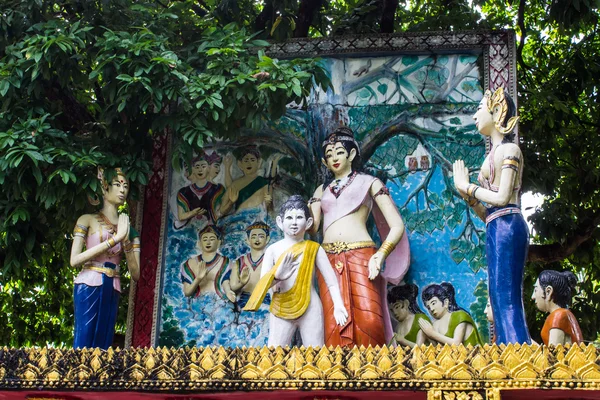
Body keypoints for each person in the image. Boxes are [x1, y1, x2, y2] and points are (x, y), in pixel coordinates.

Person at [309, 126, 410, 347]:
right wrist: (305, 210)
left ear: (351, 154)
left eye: (339, 152)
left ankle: (372, 372)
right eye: (329, 155)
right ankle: (339, 373)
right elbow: (313, 228)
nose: (334, 158)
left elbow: (396, 225)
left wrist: (380, 255)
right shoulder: (321, 191)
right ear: (324, 162)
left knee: (370, 319)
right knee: (334, 321)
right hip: (328, 260)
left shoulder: (369, 182)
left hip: (362, 255)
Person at [452, 87, 531, 344]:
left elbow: (502, 197)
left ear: (496, 110)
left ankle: (517, 350)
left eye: (479, 109)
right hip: (496, 225)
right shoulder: (490, 157)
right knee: (496, 295)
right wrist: (469, 197)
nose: (475, 116)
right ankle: (504, 346)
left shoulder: (510, 151)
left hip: (510, 224)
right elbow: (487, 213)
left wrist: (468, 187)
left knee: (507, 295)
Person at [243, 195, 348, 347]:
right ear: (280, 222)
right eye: (289, 218)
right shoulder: (273, 250)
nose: (293, 223)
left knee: (315, 353)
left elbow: (331, 281)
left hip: (310, 306)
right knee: (274, 354)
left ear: (308, 222)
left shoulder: (314, 248)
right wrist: (277, 276)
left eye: (299, 217)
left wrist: (338, 305)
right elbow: (262, 286)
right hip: (281, 306)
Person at [70, 168, 140, 349]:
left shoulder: (128, 230)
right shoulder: (87, 219)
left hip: (114, 284)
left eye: (125, 186)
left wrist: (125, 241)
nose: (122, 190)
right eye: (117, 185)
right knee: (84, 338)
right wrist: (114, 240)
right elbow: (75, 260)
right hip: (89, 282)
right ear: (104, 188)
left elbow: (136, 273)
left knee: (104, 340)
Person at [180, 225, 234, 302]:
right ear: (199, 243)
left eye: (212, 239)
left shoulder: (225, 262)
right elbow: (187, 292)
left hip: (219, 303)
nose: (208, 242)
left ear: (219, 243)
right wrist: (198, 278)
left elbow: (226, 283)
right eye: (205, 239)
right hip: (197, 304)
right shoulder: (190, 263)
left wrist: (228, 292)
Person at [419, 283, 483, 346]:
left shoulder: (460, 315)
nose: (431, 309)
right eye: (428, 307)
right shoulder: (434, 325)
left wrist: (432, 334)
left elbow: (456, 343)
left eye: (433, 303)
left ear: (445, 302)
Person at [175, 153, 228, 229]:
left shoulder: (217, 189)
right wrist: (193, 213)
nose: (200, 170)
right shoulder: (183, 192)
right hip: (191, 229)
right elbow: (181, 216)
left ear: (209, 168)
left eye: (203, 166)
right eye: (197, 167)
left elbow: (219, 213)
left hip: (211, 229)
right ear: (193, 170)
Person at [532, 270, 583, 346]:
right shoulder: (564, 313)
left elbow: (553, 354)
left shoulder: (558, 316)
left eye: (536, 290)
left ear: (548, 291)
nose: (533, 297)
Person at [227, 221, 271, 307]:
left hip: (265, 300)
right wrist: (242, 283)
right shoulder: (239, 262)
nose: (257, 240)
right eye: (253, 236)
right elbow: (233, 287)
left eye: (261, 236)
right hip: (244, 301)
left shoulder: (272, 260)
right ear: (247, 240)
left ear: (267, 239)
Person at [224, 147, 283, 211]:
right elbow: (223, 209)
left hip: (257, 217)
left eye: (252, 160)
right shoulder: (236, 184)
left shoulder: (262, 182)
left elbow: (269, 210)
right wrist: (231, 202)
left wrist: (268, 202)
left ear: (258, 163)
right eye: (246, 160)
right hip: (239, 217)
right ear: (240, 164)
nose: (249, 163)